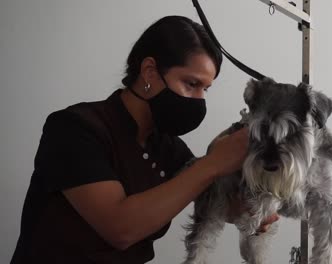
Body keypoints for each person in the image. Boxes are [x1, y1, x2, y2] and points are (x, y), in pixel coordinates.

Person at [10, 16, 279, 264]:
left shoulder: (168, 149)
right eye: (191, 84)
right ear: (150, 71)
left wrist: (253, 212)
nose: (199, 100)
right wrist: (212, 164)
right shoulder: (74, 128)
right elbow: (120, 228)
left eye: (205, 89)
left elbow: (219, 205)